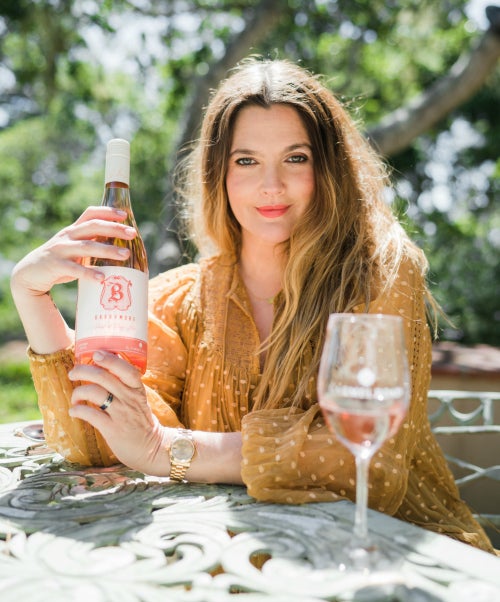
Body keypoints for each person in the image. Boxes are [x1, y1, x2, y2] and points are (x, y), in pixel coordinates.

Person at [10, 58, 495, 553]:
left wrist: (165, 450)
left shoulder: (382, 272)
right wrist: (33, 298)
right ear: (217, 174)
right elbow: (101, 440)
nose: (271, 186)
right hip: (231, 554)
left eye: (295, 158)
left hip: (388, 552)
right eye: (246, 161)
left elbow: (368, 462)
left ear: (329, 169)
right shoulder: (181, 299)